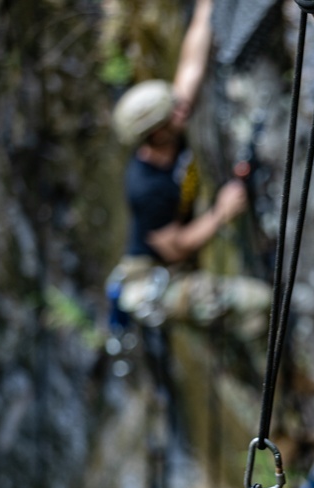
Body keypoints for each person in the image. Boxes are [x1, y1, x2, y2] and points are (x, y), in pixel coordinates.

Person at [108, 0, 270, 344]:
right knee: (259, 301)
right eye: (173, 113)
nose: (183, 109)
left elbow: (191, 66)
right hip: (153, 282)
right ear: (155, 133)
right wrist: (221, 213)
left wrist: (204, 11)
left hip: (177, 264)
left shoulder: (171, 129)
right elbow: (175, 247)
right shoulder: (146, 187)